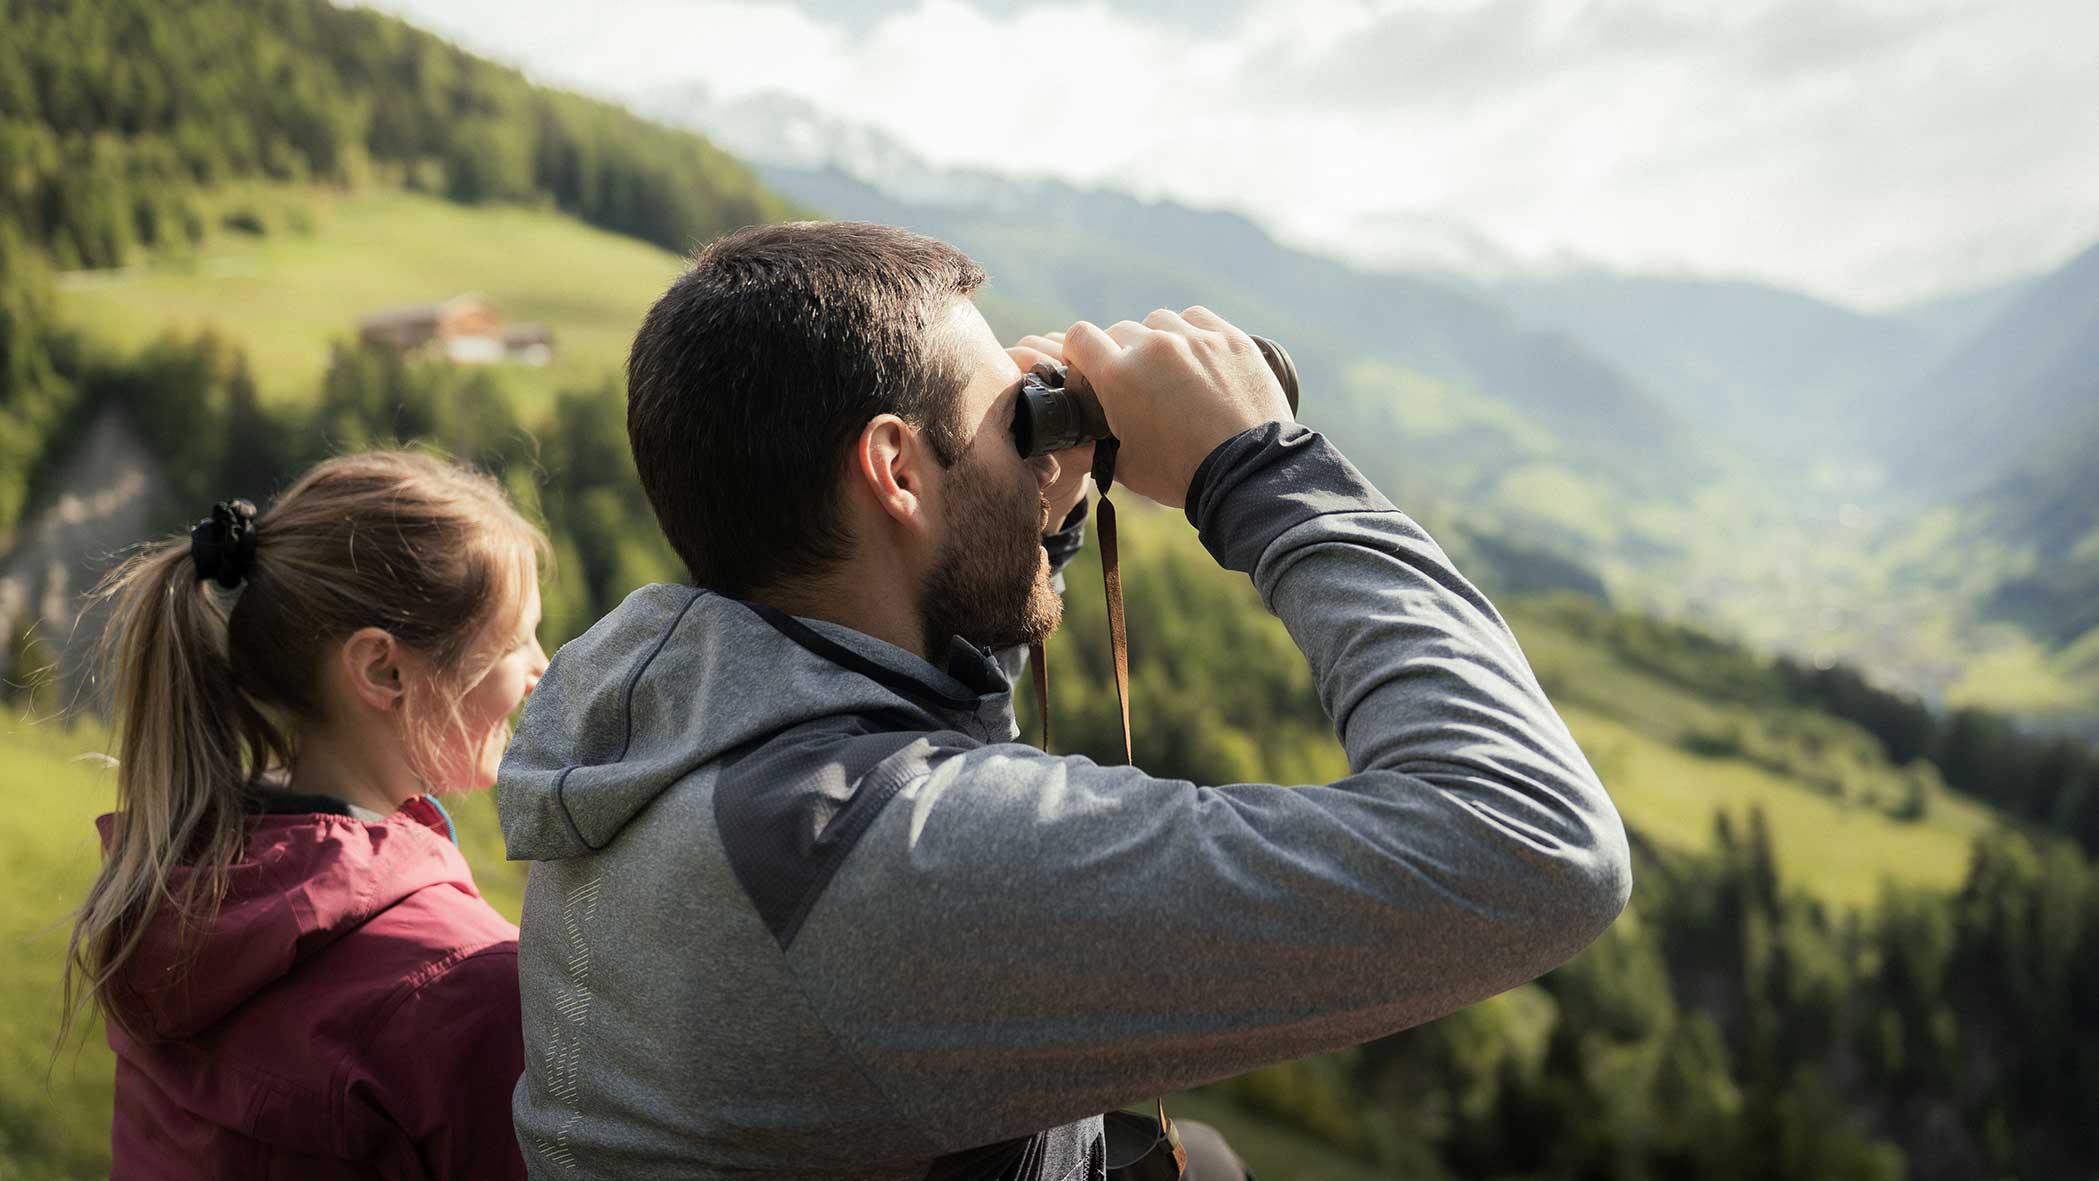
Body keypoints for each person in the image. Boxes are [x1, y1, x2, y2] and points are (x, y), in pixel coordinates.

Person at [497, 221, 1632, 1179]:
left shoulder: (676, 737)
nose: (1042, 453)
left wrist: (1012, 517)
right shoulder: (883, 867)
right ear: (896, 470)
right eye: (1014, 425)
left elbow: (906, 732)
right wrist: (1261, 466)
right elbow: (1530, 843)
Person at [60, 450, 550, 1180]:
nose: (542, 667)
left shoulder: (160, 904)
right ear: (383, 668)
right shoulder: (471, 990)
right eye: (515, 640)